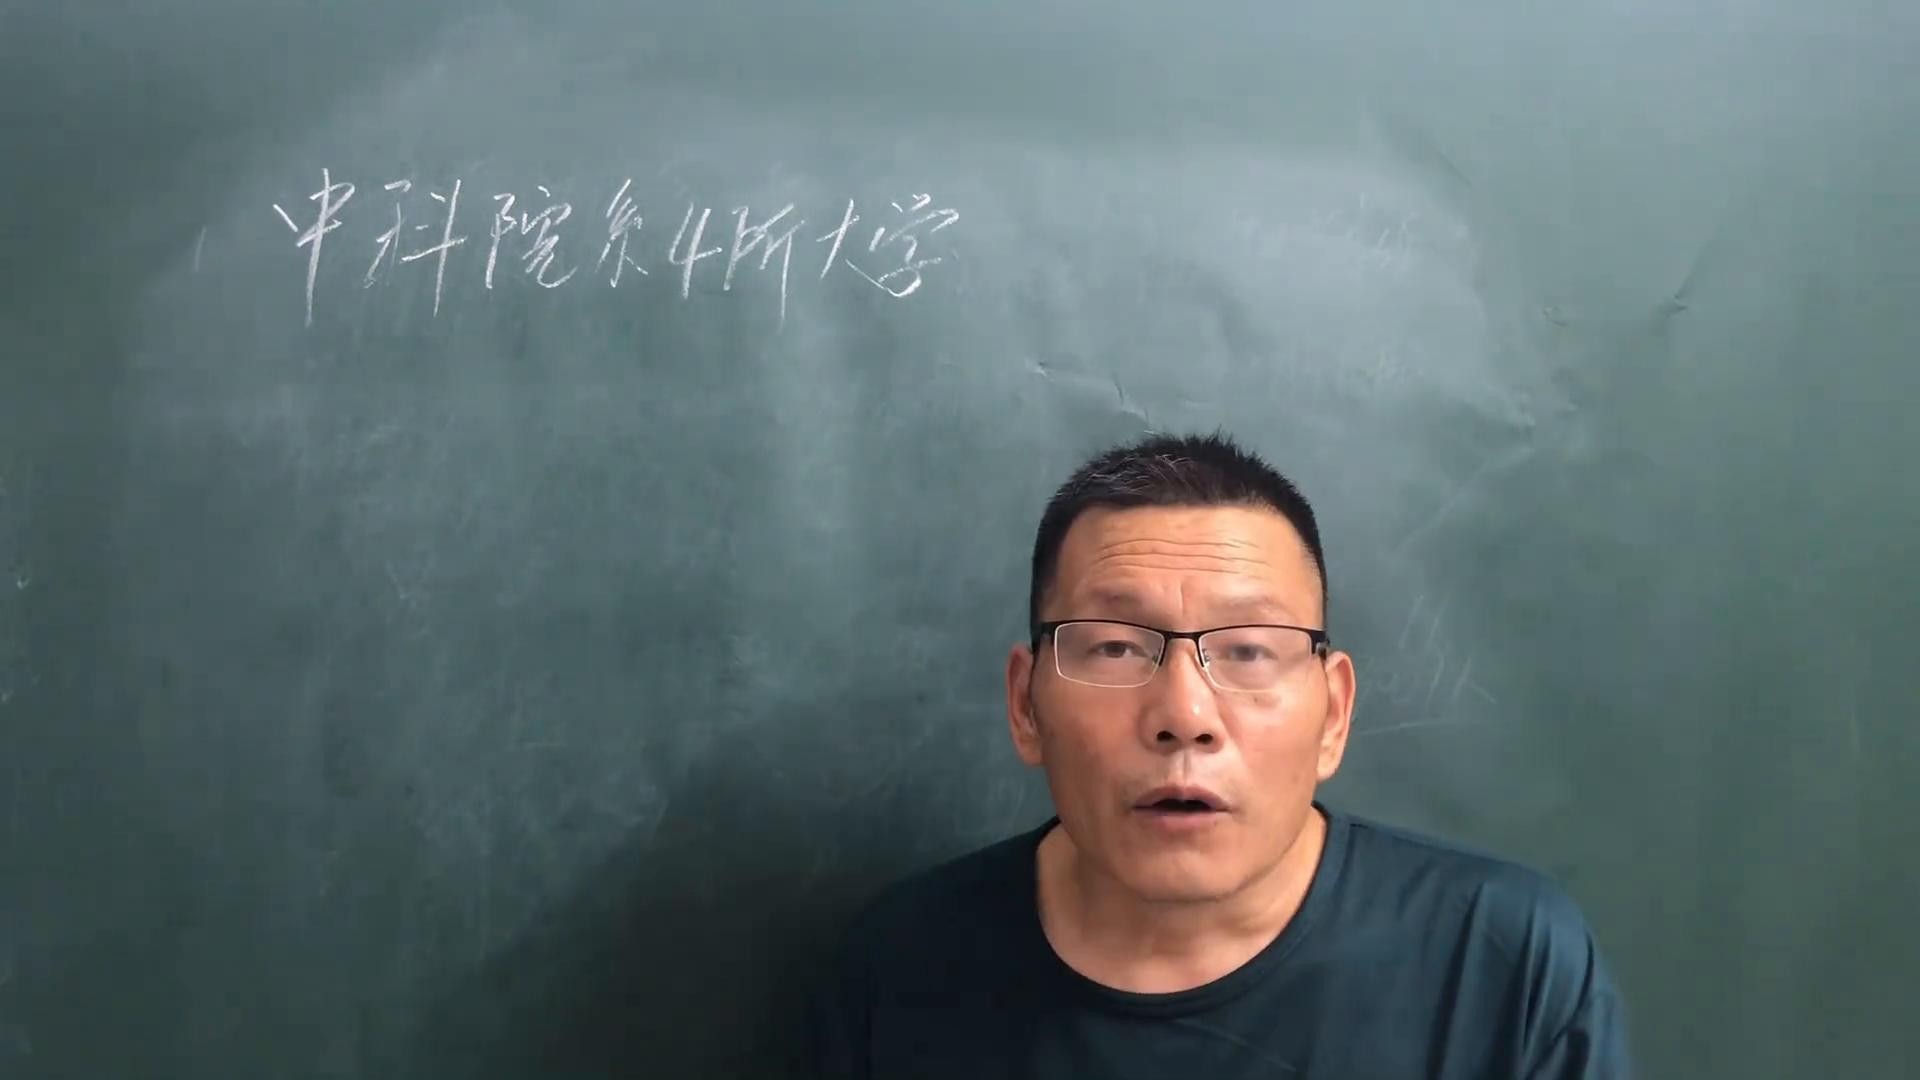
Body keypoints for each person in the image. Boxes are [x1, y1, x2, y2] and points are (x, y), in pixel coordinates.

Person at [807, 431, 1631, 1079]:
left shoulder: (1500, 959)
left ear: (1334, 713)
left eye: (1247, 650)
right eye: (1116, 647)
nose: (1185, 716)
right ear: (1026, 704)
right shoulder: (902, 967)